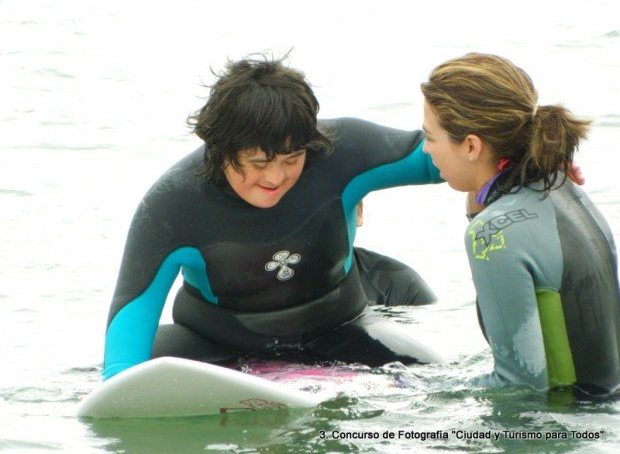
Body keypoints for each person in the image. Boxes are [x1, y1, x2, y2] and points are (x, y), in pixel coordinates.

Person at [102, 55, 443, 381]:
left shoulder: (341, 153)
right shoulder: (173, 204)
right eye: (259, 163)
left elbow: (441, 157)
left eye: (292, 158)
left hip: (341, 329)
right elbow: (135, 303)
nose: (276, 178)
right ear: (220, 150)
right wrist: (119, 380)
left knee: (436, 374)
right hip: (217, 344)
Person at [420, 52, 620, 396]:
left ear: (471, 145)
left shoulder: (492, 233)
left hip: (562, 433)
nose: (424, 150)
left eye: (430, 137)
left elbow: (520, 388)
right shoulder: (560, 185)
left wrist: (417, 391)